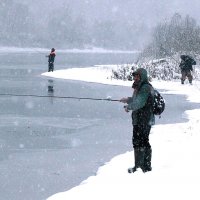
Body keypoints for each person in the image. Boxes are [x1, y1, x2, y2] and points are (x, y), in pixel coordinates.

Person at [120, 68, 155, 173]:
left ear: (142, 76)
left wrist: (129, 107)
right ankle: (143, 166)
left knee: (140, 141)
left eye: (137, 76)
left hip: (143, 119)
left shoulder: (145, 87)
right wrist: (128, 100)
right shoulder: (141, 87)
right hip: (142, 119)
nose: (135, 78)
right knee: (142, 141)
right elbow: (138, 99)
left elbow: (140, 103)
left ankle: (141, 167)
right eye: (134, 76)